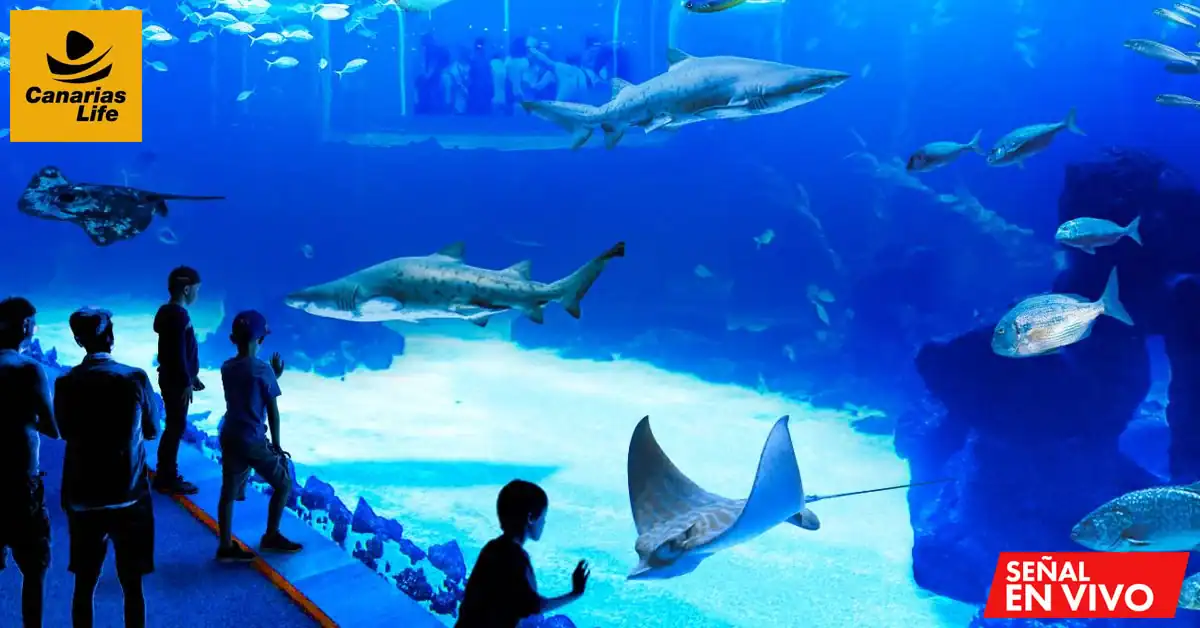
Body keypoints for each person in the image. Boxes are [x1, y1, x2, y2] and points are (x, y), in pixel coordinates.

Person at [55, 308, 158, 628]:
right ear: (111, 337)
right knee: (132, 586)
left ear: (77, 339)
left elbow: (66, 431)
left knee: (84, 585)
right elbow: (153, 429)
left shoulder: (65, 382)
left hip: (83, 497)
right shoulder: (135, 378)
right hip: (129, 497)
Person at [216, 310, 302, 562]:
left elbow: (247, 386)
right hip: (252, 439)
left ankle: (224, 546)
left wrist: (271, 376)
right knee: (283, 483)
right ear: (261, 340)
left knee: (227, 493)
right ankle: (272, 535)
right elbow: (273, 413)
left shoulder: (226, 367)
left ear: (233, 339)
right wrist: (276, 445)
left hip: (230, 434)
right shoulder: (264, 370)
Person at [456, 480, 590, 628]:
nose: (544, 523)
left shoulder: (491, 549)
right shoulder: (515, 558)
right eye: (543, 518)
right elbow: (535, 606)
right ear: (531, 518)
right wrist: (575, 593)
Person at [0, 297, 58, 628]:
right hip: (21, 480)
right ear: (25, 327)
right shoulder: (28, 369)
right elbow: (52, 427)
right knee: (34, 566)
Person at [152, 265, 204, 496]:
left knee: (174, 425)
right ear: (186, 289)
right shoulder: (178, 315)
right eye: (196, 289)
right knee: (175, 427)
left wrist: (192, 376)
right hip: (175, 381)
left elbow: (177, 352)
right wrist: (185, 380)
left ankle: (166, 473)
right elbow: (177, 352)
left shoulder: (168, 313)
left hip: (174, 378)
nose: (197, 294)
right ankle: (167, 477)